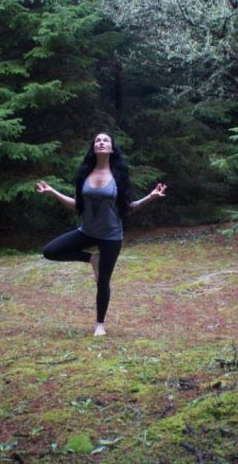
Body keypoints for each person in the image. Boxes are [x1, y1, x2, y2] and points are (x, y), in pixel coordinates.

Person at [36, 132, 167, 337]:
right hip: (86, 232)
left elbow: (127, 208)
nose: (101, 142)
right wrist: (53, 192)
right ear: (94, 147)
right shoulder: (85, 175)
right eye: (98, 140)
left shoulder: (119, 178)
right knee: (49, 251)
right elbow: (77, 205)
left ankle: (99, 324)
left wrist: (150, 197)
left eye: (106, 140)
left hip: (111, 237)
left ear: (112, 149)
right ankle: (91, 258)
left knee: (103, 281)